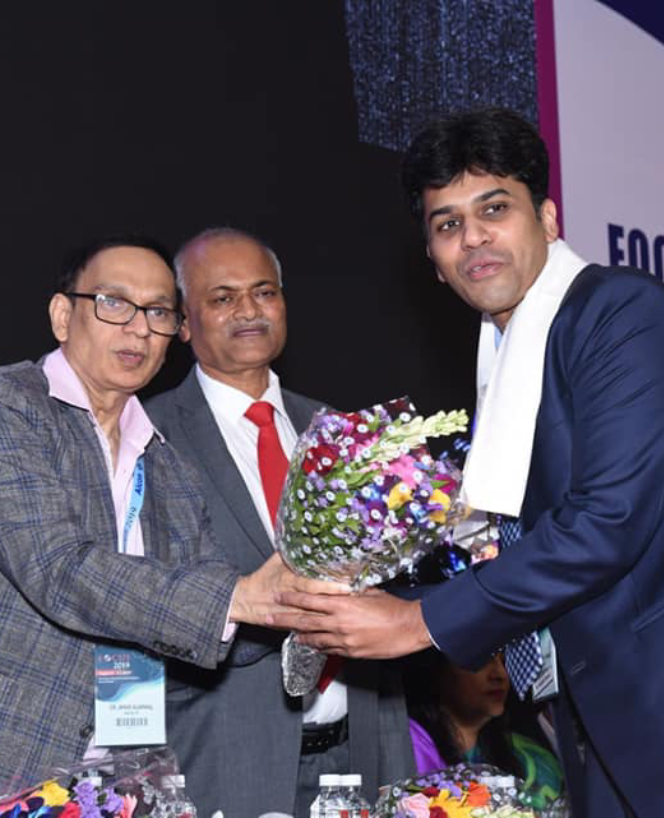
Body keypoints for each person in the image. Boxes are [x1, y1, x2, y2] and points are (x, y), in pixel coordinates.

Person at [272, 108, 664, 818]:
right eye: (448, 224)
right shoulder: (509, 361)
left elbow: (607, 521)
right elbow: (520, 542)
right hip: (612, 718)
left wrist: (414, 622)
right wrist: (350, 588)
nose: (473, 237)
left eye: (494, 209)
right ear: (433, 259)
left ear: (548, 218)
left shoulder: (621, 315)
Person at [0, 235, 335, 818]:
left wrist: (311, 604)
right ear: (62, 315)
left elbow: (218, 621)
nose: (138, 329)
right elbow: (58, 567)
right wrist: (246, 596)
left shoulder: (169, 467)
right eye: (114, 303)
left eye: (158, 312)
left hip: (108, 788)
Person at [145, 228, 415, 818]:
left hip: (360, 751)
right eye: (223, 298)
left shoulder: (341, 433)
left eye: (264, 292)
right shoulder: (148, 435)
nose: (249, 310)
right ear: (183, 323)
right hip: (224, 761)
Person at [403, 649, 562, 808]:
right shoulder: (411, 748)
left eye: (502, 660)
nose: (500, 675)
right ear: (438, 670)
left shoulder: (533, 760)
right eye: (480, 661)